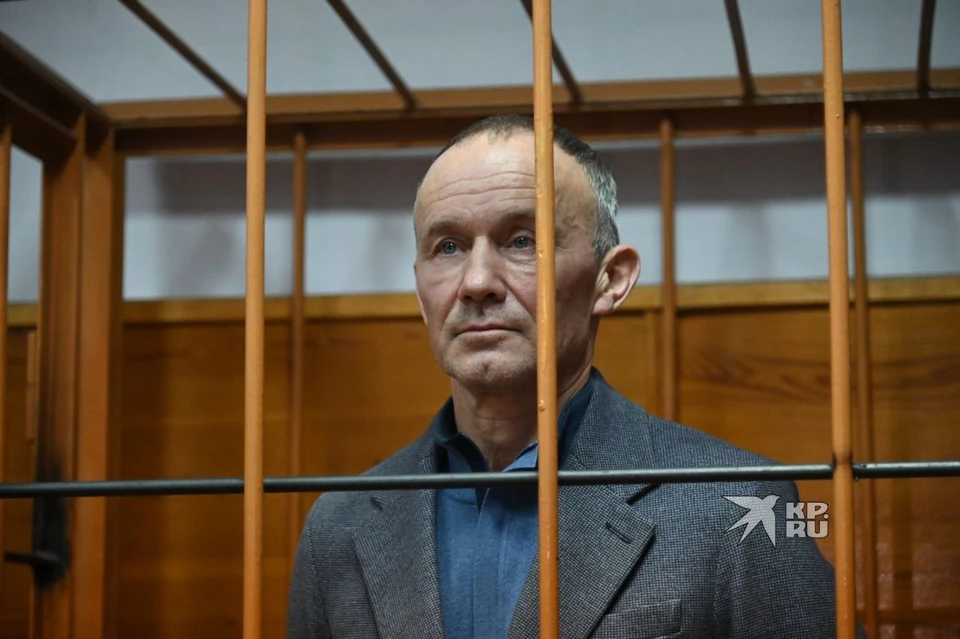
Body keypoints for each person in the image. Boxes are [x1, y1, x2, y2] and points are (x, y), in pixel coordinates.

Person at [287, 115, 864, 638]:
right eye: (448, 247)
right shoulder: (338, 525)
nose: (477, 282)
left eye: (522, 241)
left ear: (611, 280)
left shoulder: (742, 502)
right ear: (420, 292)